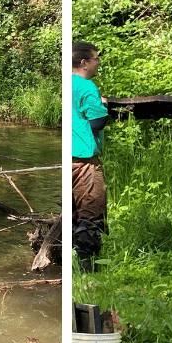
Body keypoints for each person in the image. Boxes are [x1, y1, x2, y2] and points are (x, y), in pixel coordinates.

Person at [71, 41, 109, 270]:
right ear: (84, 63)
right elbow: (98, 122)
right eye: (96, 59)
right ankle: (90, 271)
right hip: (84, 162)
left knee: (72, 213)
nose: (98, 63)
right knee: (90, 215)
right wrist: (103, 104)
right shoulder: (86, 87)